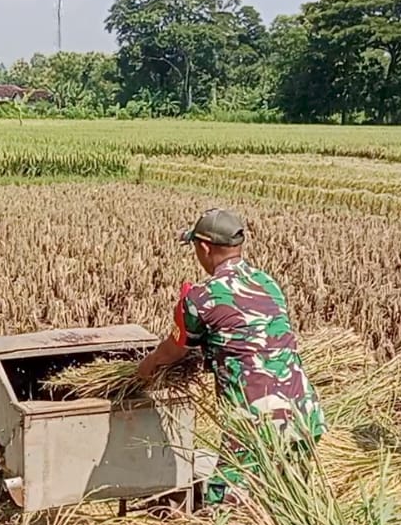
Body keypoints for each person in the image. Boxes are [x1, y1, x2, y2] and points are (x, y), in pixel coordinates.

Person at [136, 208, 325, 506]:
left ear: (205, 247)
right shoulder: (268, 283)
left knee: (226, 506)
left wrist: (143, 370)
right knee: (288, 503)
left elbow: (173, 350)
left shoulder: (202, 296)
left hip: (255, 420)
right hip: (304, 413)